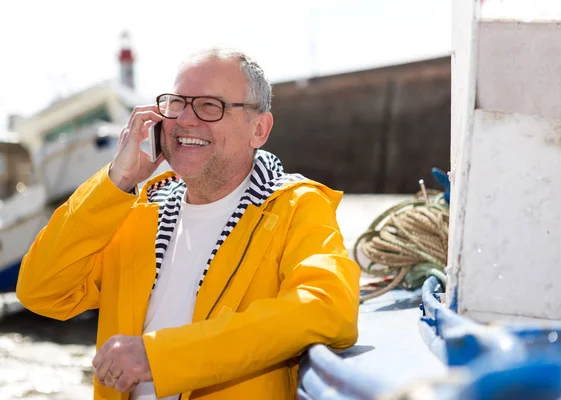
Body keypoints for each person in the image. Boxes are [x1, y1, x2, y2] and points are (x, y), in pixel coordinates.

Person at [16, 48, 360, 400]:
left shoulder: (295, 206)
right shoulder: (137, 209)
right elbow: (40, 290)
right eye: (177, 103)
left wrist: (160, 357)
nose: (186, 120)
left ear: (259, 129)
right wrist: (116, 181)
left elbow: (327, 308)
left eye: (211, 106)